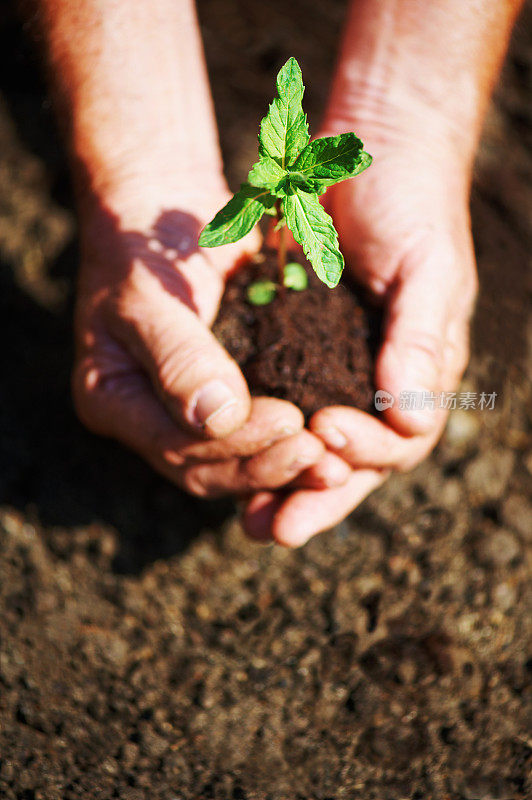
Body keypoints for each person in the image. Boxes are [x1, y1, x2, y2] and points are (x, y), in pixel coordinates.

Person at [36, 0, 523, 546]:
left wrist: (408, 119)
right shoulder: (271, 216)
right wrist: (140, 165)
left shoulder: (303, 220)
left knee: (308, 269)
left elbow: (329, 240)